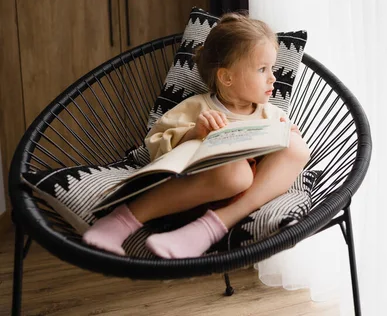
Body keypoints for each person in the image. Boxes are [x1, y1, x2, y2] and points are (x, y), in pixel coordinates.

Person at [82, 13, 311, 258]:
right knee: (238, 174)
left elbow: (278, 165)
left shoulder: (272, 114)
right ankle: (123, 220)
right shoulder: (198, 107)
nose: (272, 77)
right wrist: (195, 132)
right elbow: (154, 144)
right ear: (227, 77)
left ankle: (206, 230)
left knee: (297, 147)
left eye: (272, 68)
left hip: (243, 201)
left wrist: (285, 137)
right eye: (262, 69)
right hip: (192, 196)